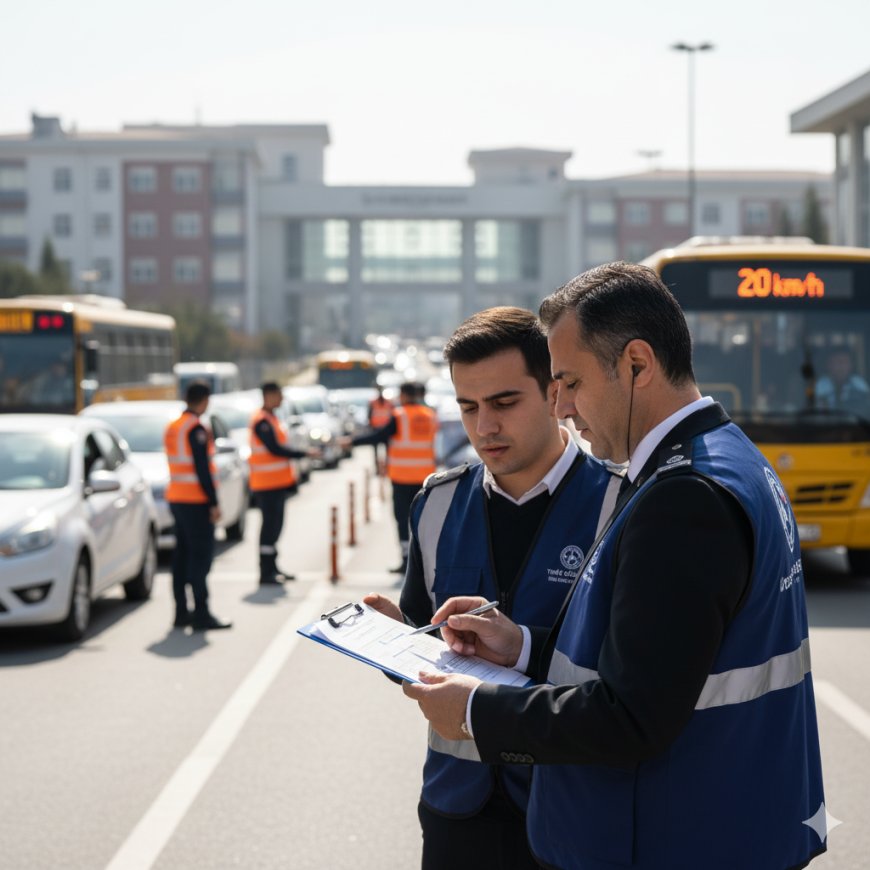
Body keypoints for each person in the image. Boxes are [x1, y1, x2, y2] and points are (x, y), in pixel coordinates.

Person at [404, 262, 827, 870]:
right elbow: (659, 661)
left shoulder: (682, 496)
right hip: (727, 822)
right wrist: (521, 646)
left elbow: (632, 716)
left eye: (571, 382)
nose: (564, 407)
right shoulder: (730, 458)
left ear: (636, 364)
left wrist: (474, 711)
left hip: (684, 834)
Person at [364, 307, 619, 870]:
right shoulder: (435, 503)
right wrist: (392, 640)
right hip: (458, 807)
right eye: (468, 407)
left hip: (575, 807)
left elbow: (634, 675)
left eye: (504, 403)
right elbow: (425, 641)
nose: (484, 427)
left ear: (555, 392)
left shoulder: (621, 504)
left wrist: (525, 643)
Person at [346, 380, 439, 574]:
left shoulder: (399, 416)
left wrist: (352, 441)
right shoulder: (430, 415)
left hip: (402, 478)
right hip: (425, 478)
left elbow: (378, 436)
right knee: (424, 521)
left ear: (403, 395)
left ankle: (407, 561)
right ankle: (426, 561)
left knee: (402, 519)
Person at [164, 380, 231, 631]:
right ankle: (202, 613)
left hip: (177, 498)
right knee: (200, 559)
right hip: (195, 501)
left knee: (181, 557)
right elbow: (202, 469)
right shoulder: (196, 429)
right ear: (204, 401)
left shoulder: (174, 426)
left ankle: (181, 612)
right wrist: (213, 503)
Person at [249, 382, 319, 585]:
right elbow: (275, 449)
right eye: (279, 395)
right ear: (268, 395)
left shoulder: (271, 418)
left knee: (276, 526)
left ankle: (272, 567)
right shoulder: (261, 421)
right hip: (266, 484)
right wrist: (303, 453)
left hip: (276, 483)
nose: (281, 399)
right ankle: (265, 571)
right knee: (269, 527)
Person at [367, 386, 394, 474]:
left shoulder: (388, 403)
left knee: (387, 451)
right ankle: (378, 469)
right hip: (376, 429)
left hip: (385, 429)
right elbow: (369, 415)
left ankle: (386, 468)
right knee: (376, 451)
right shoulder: (373, 402)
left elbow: (392, 415)